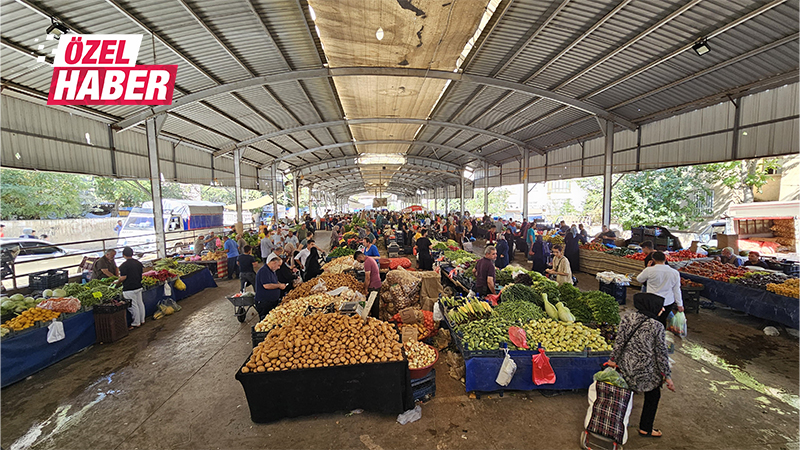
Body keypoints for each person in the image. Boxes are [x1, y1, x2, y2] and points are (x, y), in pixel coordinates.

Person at [608, 293, 675, 438]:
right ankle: (646, 428)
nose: (663, 310)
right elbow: (661, 353)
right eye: (660, 307)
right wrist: (667, 376)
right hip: (646, 372)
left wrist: (612, 360)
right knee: (653, 395)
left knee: (623, 395)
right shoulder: (657, 325)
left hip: (625, 368)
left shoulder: (627, 318)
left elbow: (619, 343)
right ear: (652, 306)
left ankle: (615, 424)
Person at [636, 251, 684, 328]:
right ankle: (661, 335)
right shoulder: (675, 272)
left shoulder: (649, 270)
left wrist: (647, 268)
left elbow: (639, 279)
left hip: (652, 301)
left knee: (651, 321)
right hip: (668, 302)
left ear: (653, 259)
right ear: (665, 259)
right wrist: (680, 304)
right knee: (662, 321)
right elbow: (676, 289)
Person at [114, 247, 145, 330]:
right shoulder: (138, 263)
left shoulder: (124, 266)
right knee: (140, 303)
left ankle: (136, 323)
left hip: (129, 288)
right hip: (138, 286)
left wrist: (117, 282)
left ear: (123, 255)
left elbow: (123, 277)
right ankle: (142, 320)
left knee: (133, 305)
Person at [254, 253, 286, 320]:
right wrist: (279, 286)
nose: (279, 267)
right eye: (278, 265)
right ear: (274, 263)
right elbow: (266, 285)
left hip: (270, 301)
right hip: (264, 303)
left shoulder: (272, 271)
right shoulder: (264, 271)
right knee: (265, 320)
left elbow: (274, 281)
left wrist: (280, 284)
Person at [354, 251, 382, 317]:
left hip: (374, 286)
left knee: (373, 305)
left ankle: (375, 320)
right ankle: (374, 318)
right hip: (377, 283)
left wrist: (366, 288)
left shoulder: (367, 262)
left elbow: (367, 277)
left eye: (358, 260)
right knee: (374, 304)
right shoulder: (369, 259)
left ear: (360, 257)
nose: (359, 262)